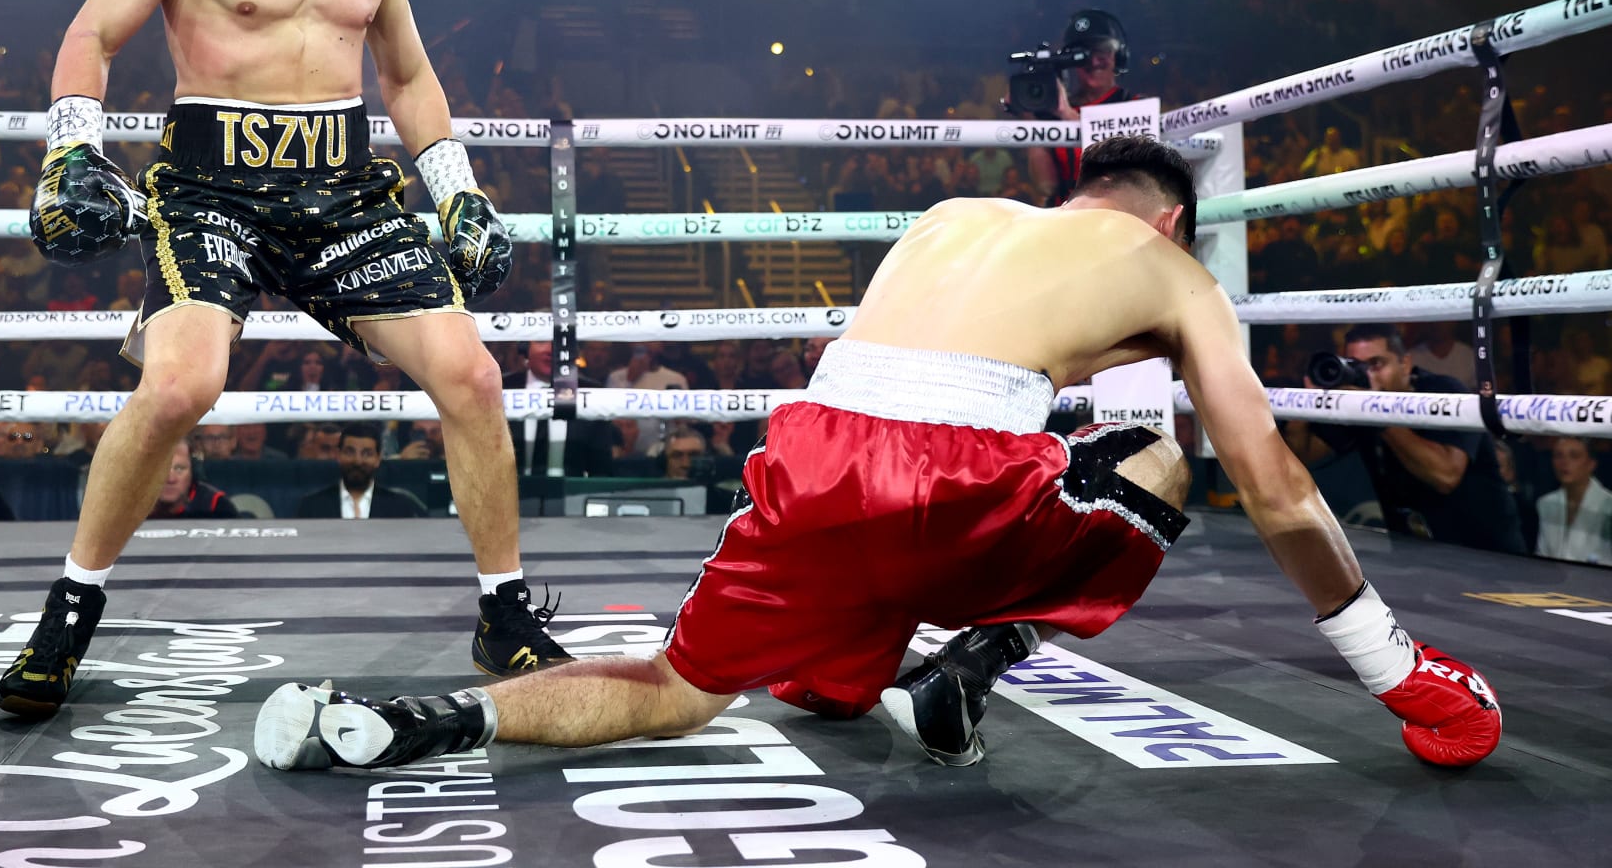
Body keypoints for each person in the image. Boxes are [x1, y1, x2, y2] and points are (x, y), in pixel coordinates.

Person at [256, 136, 1501, 776]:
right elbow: (1277, 486)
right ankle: (976, 654)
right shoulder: (1168, 268)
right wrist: (1391, 666)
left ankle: (414, 723)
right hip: (952, 482)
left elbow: (914, 392)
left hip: (809, 458)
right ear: (1172, 219)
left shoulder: (956, 218)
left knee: (681, 692)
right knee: (1158, 462)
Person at [0, 0, 568, 722]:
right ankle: (69, 610)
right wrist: (73, 148)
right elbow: (92, 30)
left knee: (474, 375)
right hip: (212, 188)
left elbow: (405, 72)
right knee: (183, 384)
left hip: (343, 188)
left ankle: (504, 615)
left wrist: (459, 189)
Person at [1286, 324, 1527, 555]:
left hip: (1486, 553)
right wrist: (1307, 404)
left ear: (1405, 363)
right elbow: (1306, 456)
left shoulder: (1443, 392)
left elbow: (1445, 476)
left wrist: (1374, 411)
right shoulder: (1357, 402)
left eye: (1377, 364)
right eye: (1357, 366)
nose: (1368, 375)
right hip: (1417, 557)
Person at [1023, 9, 1135, 207]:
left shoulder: (1134, 105)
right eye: (1083, 54)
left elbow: (1123, 174)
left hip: (1115, 221)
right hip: (1064, 221)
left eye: (1102, 51)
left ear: (1118, 56)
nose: (1093, 61)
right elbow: (1046, 186)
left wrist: (1067, 115)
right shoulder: (1056, 111)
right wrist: (1031, 119)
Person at [503, 339, 615, 475]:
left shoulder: (594, 392)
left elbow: (601, 467)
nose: (551, 350)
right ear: (525, 348)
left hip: (573, 493)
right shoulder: (501, 387)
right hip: (507, 493)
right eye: (542, 341)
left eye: (561, 342)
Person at [294, 424, 425, 518]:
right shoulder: (312, 505)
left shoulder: (399, 506)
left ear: (378, 458)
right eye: (350, 452)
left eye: (367, 453)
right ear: (338, 455)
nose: (358, 461)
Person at [1534, 437, 1612, 564]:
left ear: (1591, 464)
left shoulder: (1608, 505)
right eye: (1558, 456)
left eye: (1574, 456)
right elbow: (1542, 553)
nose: (1564, 462)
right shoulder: (1545, 503)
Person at [149, 438, 242, 520]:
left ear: (193, 472)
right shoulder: (134, 505)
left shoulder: (216, 505)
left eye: (179, 469)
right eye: (161, 470)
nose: (170, 479)